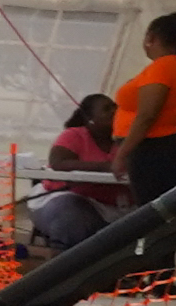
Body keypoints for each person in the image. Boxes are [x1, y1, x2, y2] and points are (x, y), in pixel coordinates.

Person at [114, 10, 176, 204]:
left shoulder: (161, 68)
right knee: (159, 205)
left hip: (153, 149)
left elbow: (147, 115)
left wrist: (123, 153)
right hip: (170, 145)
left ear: (150, 37)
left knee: (150, 209)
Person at [24, 91, 128, 254]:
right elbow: (58, 163)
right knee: (71, 218)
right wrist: (103, 167)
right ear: (90, 118)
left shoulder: (126, 140)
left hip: (114, 207)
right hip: (66, 200)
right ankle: (63, 270)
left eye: (115, 107)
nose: (114, 111)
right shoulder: (74, 135)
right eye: (107, 108)